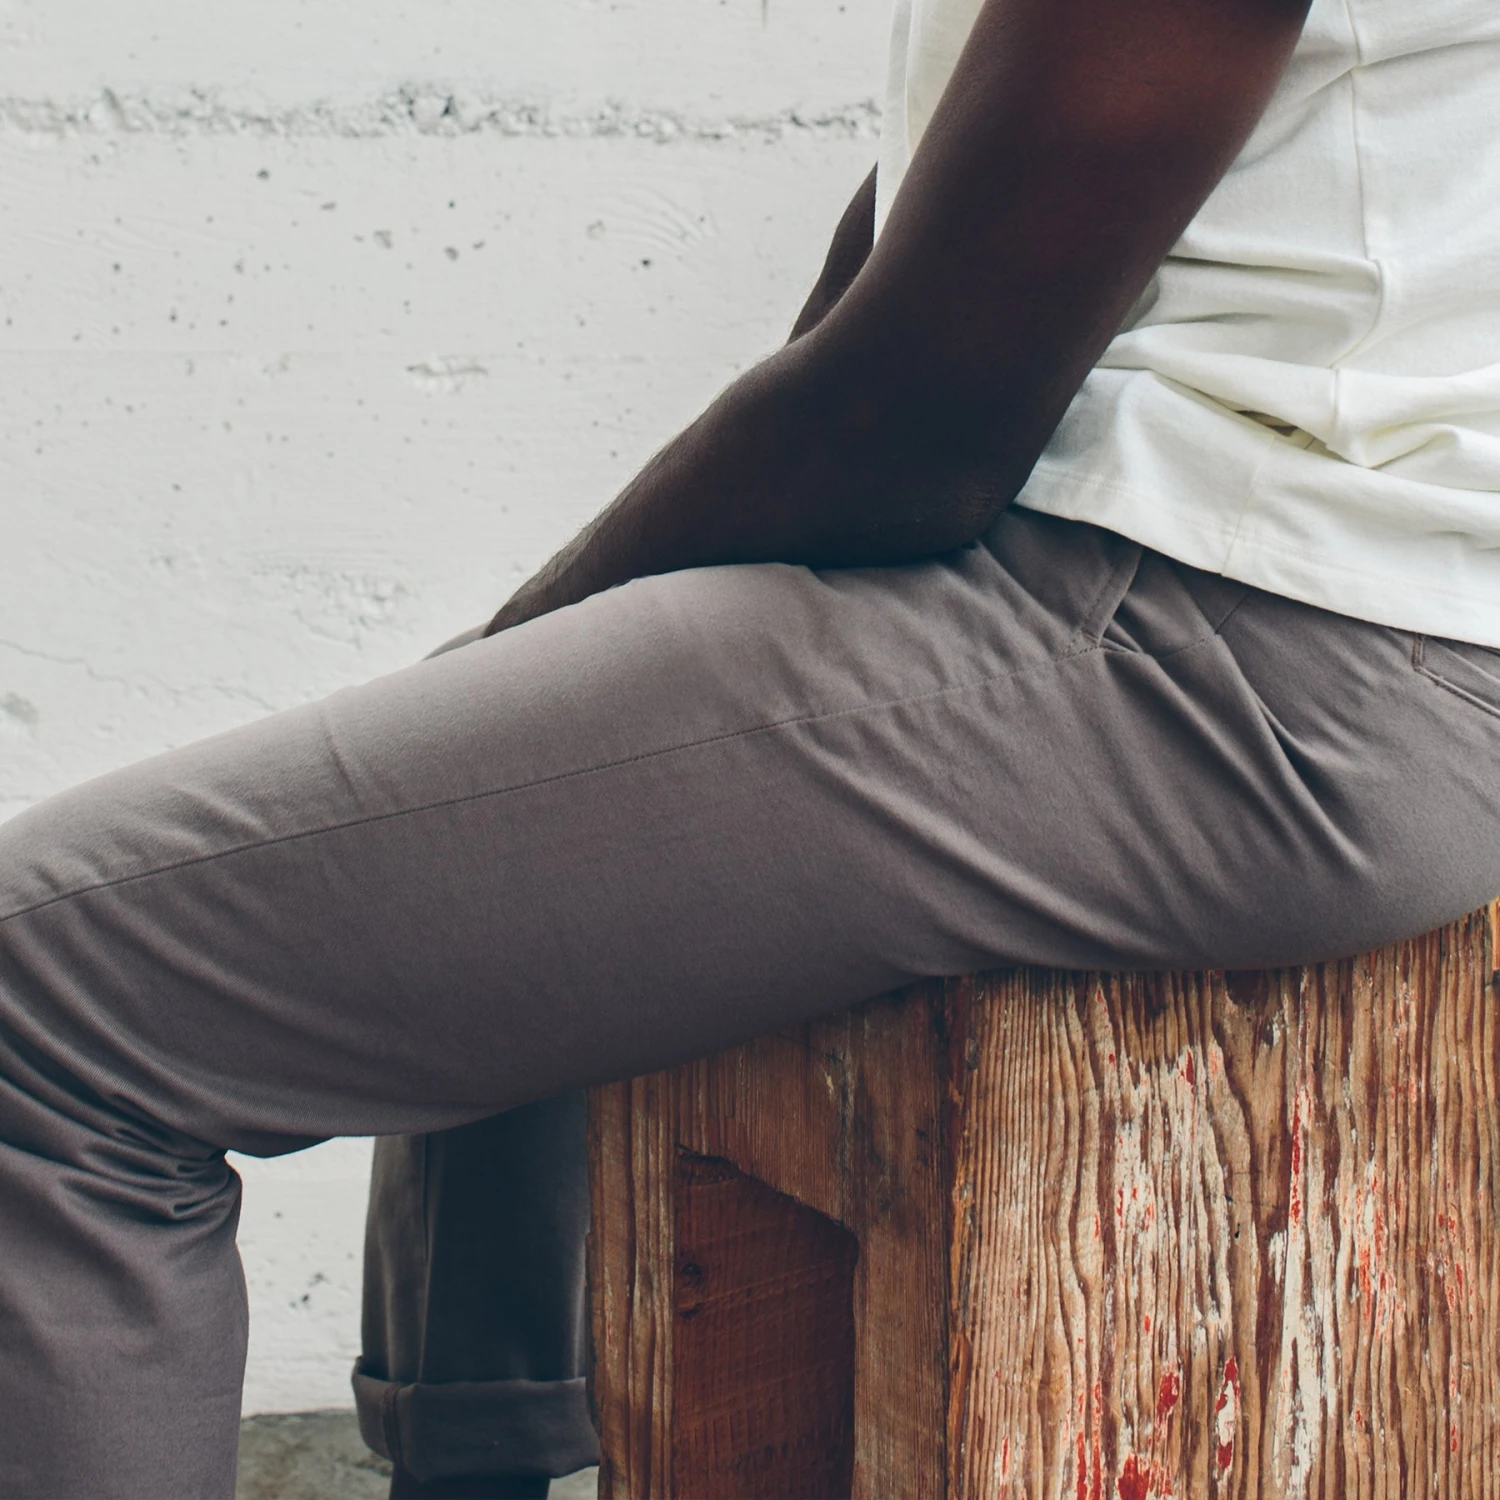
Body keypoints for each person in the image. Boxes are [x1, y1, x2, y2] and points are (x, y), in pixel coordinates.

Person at [2, 0, 1497, 1492]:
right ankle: (474, 1468)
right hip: (1243, 591)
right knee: (485, 755)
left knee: (43, 1007)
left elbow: (914, 419)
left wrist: (534, 646)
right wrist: (522, 673)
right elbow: (930, 226)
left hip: (1254, 643)